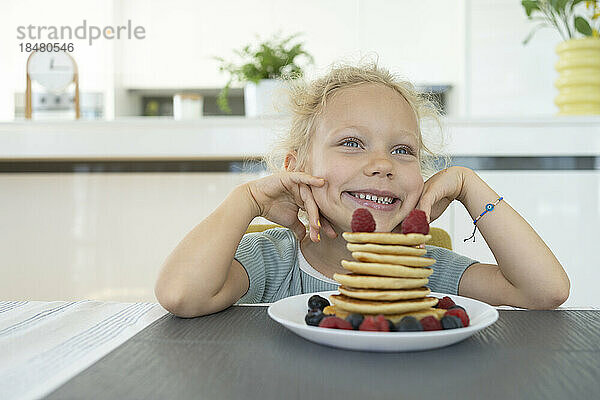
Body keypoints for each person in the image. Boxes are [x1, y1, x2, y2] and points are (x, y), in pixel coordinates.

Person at [155, 61, 570, 318]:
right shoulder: (269, 261)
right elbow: (179, 295)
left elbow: (545, 290)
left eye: (403, 150)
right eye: (352, 143)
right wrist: (247, 200)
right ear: (295, 170)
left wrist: (470, 184)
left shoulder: (423, 270)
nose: (382, 165)